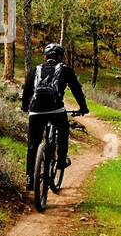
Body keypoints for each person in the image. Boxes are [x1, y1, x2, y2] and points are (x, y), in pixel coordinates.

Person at [20, 42, 89, 190]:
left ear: (45, 57)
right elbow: (76, 89)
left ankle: (30, 178)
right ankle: (61, 160)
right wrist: (83, 108)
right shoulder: (65, 70)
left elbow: (27, 91)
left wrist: (25, 107)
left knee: (33, 144)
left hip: (36, 112)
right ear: (60, 57)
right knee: (63, 129)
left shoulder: (35, 70)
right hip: (55, 110)